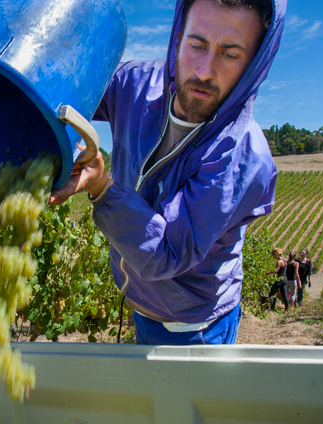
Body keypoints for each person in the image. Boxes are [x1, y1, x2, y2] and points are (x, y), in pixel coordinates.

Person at [49, 0, 285, 345]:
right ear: (178, 36)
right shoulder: (137, 84)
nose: (205, 70)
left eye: (230, 54)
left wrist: (101, 186)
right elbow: (70, 92)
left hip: (193, 325)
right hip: (141, 303)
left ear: (254, 64)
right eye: (197, 45)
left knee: (185, 401)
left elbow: (166, 252)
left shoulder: (240, 155)